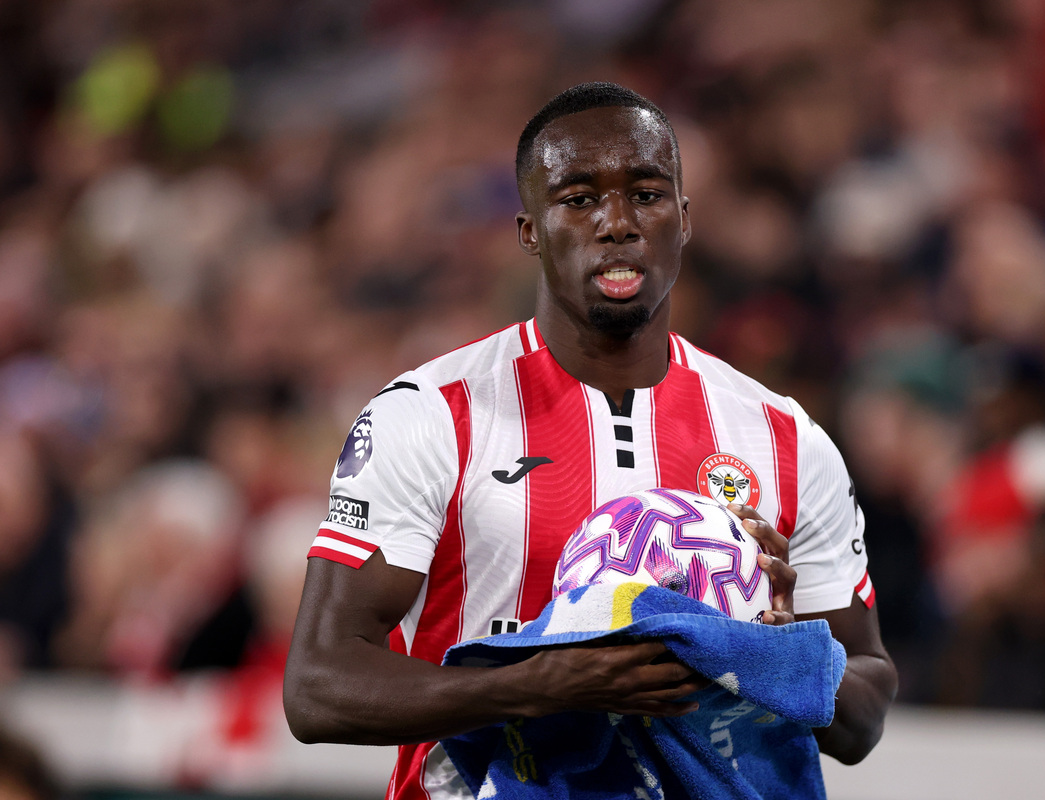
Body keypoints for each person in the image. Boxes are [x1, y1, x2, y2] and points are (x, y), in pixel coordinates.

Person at [283, 82, 897, 799]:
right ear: (530, 230)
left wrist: (779, 657)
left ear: (685, 219)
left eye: (646, 194)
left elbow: (864, 708)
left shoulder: (786, 438)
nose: (617, 223)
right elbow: (318, 686)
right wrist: (540, 685)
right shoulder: (428, 417)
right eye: (579, 199)